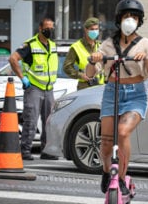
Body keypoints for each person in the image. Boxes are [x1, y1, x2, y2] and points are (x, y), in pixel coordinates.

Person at [86, 0, 148, 197]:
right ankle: (106, 171)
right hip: (112, 91)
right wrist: (94, 60)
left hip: (136, 94)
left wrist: (146, 58)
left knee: (123, 132)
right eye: (127, 16)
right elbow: (91, 73)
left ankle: (120, 177)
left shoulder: (145, 43)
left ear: (139, 21)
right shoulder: (108, 44)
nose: (130, 20)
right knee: (106, 141)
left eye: (134, 17)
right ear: (120, 19)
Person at [8, 17, 59, 161]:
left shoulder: (52, 45)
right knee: (31, 120)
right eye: (47, 28)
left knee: (49, 121)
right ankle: (25, 150)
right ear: (40, 29)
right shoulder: (30, 45)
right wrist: (22, 77)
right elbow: (13, 59)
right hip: (34, 88)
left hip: (49, 89)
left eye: (52, 28)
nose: (50, 31)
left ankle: (47, 150)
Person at [63, 17, 105, 90]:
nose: (94, 31)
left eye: (96, 29)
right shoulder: (76, 47)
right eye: (92, 29)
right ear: (86, 30)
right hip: (85, 86)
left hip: (100, 87)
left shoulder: (100, 46)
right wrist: (80, 75)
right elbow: (67, 67)